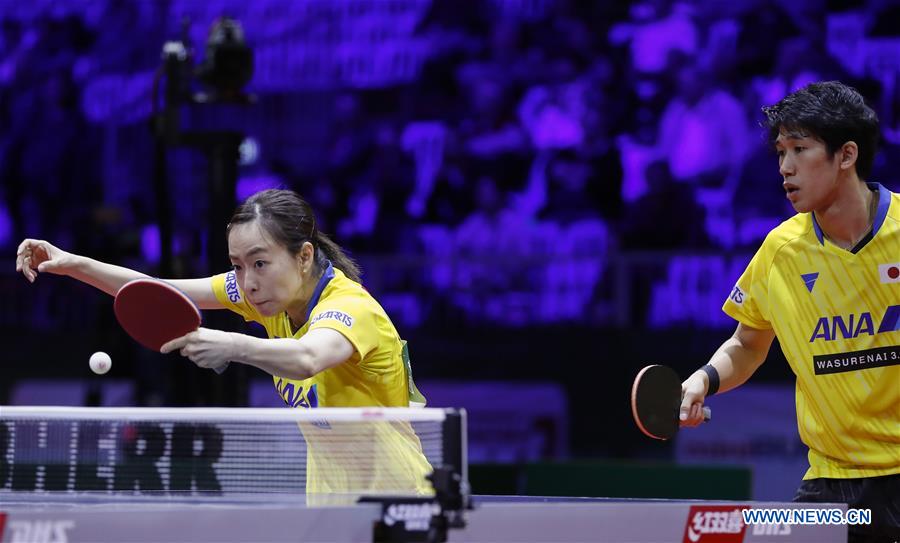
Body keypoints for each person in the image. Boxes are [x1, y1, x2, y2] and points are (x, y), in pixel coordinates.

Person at [16, 188, 432, 503]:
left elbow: (308, 358)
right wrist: (74, 264)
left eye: (260, 263)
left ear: (304, 257)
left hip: (398, 503)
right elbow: (159, 291)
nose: (248, 281)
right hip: (330, 506)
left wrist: (233, 345)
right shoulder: (268, 297)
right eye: (238, 266)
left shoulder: (350, 306)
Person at [679, 81, 899, 542]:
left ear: (846, 155)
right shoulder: (782, 250)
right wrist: (703, 379)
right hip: (833, 485)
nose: (785, 167)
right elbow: (746, 344)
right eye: (781, 152)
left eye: (800, 149)